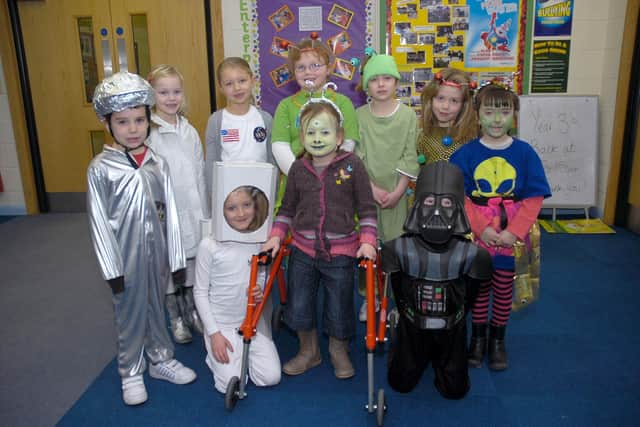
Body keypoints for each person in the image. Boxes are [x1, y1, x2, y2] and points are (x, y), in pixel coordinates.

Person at [87, 71, 197, 406]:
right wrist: (112, 269)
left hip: (159, 255)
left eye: (139, 120)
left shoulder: (156, 163)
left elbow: (172, 216)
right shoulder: (101, 168)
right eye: (123, 122)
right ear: (108, 125)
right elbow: (98, 223)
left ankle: (161, 358)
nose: (133, 129)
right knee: (130, 313)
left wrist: (177, 260)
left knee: (155, 307)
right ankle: (131, 370)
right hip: (125, 259)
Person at [262, 96, 377, 379]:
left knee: (339, 304)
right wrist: (276, 235)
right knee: (299, 303)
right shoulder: (299, 169)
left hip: (341, 252)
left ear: (339, 137)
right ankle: (308, 351)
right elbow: (287, 209)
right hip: (302, 250)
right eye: (310, 132)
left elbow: (366, 208)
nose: (317, 138)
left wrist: (368, 241)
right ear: (301, 137)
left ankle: (338, 349)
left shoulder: (352, 166)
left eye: (324, 132)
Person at [449, 82, 551, 371]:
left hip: (511, 235)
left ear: (514, 116)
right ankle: (478, 338)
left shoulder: (526, 153)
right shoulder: (465, 154)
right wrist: (482, 228)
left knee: (504, 287)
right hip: (477, 234)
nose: (496, 119)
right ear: (477, 115)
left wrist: (513, 232)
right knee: (479, 287)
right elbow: (460, 197)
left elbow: (533, 198)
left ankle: (497, 340)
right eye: (489, 112)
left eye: (504, 112)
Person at [382, 161, 492, 399]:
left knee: (455, 391)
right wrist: (407, 315)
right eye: (430, 202)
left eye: (447, 203)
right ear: (418, 204)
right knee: (400, 382)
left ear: (458, 208)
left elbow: (472, 294)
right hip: (412, 327)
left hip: (453, 329)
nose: (437, 212)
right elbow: (397, 289)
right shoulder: (397, 249)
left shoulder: (474, 255)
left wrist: (456, 314)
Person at [194, 185, 281, 394]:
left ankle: (243, 353)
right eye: (232, 208)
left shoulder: (260, 240)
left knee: (270, 378)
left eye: (247, 205)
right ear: (220, 211)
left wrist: (259, 288)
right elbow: (199, 291)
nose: (241, 213)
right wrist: (214, 334)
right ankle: (216, 355)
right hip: (221, 324)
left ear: (255, 206)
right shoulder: (209, 245)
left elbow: (261, 273)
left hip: (249, 322)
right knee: (229, 385)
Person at [354, 52, 419, 321]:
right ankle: (370, 296)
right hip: (365, 194)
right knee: (367, 245)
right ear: (366, 85)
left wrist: (399, 190)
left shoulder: (407, 116)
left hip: (396, 194)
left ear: (396, 82)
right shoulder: (358, 116)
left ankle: (393, 298)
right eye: (374, 79)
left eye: (387, 79)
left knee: (394, 248)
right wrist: (369, 188)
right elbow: (356, 155)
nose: (381, 84)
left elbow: (409, 154)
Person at [147, 64, 207, 344]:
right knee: (170, 265)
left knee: (193, 262)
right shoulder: (148, 132)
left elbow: (199, 173)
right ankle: (176, 317)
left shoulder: (189, 130)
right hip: (166, 212)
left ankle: (193, 310)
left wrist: (204, 212)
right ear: (152, 95)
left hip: (193, 208)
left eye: (176, 92)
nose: (171, 98)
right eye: (163, 92)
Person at [271, 36, 359, 208]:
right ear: (294, 72)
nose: (308, 72)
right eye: (301, 67)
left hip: (335, 183)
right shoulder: (285, 106)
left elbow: (348, 142)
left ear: (328, 69)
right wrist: (303, 176)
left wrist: (329, 175)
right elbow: (279, 146)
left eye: (315, 66)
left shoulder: (343, 103)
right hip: (297, 185)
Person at [204, 57, 276, 206]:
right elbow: (211, 163)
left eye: (242, 81)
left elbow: (272, 160)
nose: (237, 88)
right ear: (221, 88)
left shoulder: (265, 119)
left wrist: (272, 193)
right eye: (229, 84)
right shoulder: (216, 121)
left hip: (260, 192)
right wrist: (215, 198)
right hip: (229, 194)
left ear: (252, 80)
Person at [417, 67, 477, 165]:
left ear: (464, 105)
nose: (445, 106)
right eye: (440, 98)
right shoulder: (419, 135)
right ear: (430, 99)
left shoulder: (472, 138)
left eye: (454, 101)